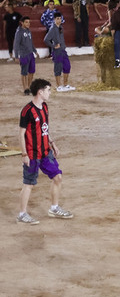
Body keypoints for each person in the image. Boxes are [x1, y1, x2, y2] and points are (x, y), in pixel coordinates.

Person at [16, 78, 74, 225]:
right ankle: (22, 214)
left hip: (45, 152)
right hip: (32, 154)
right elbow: (21, 134)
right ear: (40, 92)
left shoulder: (45, 107)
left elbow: (45, 129)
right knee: (29, 183)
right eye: (48, 90)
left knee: (58, 177)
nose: (50, 93)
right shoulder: (27, 111)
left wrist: (52, 143)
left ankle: (54, 208)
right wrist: (24, 154)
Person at [44, 11, 73, 91]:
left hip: (63, 50)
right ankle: (58, 86)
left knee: (67, 66)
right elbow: (46, 40)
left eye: (60, 19)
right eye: (57, 19)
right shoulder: (52, 29)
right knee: (58, 68)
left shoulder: (61, 27)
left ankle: (65, 84)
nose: (59, 20)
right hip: (57, 52)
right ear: (54, 19)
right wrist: (53, 46)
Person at [13, 16, 38, 95]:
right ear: (22, 23)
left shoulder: (28, 31)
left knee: (32, 71)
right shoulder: (19, 32)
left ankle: (29, 86)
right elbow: (16, 44)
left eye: (29, 22)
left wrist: (35, 51)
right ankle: (25, 88)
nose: (28, 24)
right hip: (23, 54)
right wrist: (16, 56)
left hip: (30, 54)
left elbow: (31, 42)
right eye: (26, 22)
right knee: (24, 72)